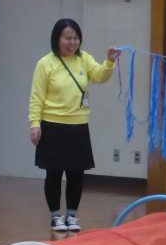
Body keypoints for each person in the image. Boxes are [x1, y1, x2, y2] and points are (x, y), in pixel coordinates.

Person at [29, 18, 119, 233]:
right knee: (54, 173)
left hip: (78, 125)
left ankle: (71, 215)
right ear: (57, 39)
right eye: (67, 38)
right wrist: (35, 123)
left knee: (76, 173)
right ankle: (55, 216)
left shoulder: (84, 59)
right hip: (52, 124)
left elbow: (100, 76)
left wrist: (109, 61)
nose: (72, 43)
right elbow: (36, 97)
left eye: (76, 38)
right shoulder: (45, 63)